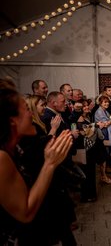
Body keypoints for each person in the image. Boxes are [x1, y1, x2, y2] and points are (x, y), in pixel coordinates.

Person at [0, 80, 72, 244]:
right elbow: (25, 212)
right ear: (12, 121)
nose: (31, 114)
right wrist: (50, 164)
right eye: (26, 109)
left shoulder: (16, 147)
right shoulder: (1, 157)